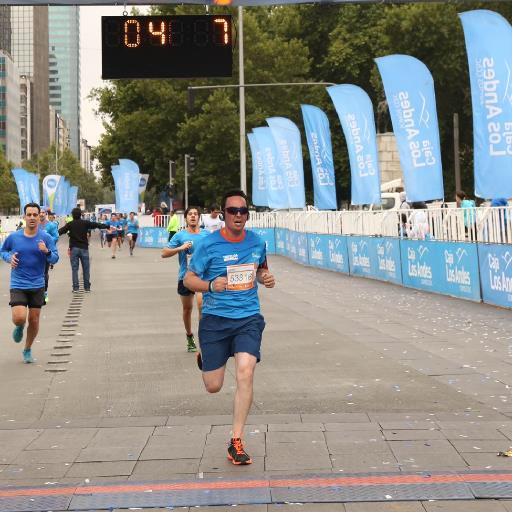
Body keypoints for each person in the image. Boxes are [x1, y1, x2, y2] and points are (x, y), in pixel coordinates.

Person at [184, 190, 275, 465]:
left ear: (247, 214)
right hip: (215, 320)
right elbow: (189, 279)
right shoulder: (208, 245)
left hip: (248, 318)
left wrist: (265, 277)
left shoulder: (257, 242)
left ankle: (236, 440)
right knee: (213, 386)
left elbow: (260, 270)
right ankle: (207, 357)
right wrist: (211, 285)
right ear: (223, 214)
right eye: (232, 210)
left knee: (245, 372)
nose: (238, 215)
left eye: (243, 211)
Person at [0, 203, 59, 363]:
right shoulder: (14, 237)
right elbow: (2, 250)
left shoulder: (46, 237)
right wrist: (8, 258)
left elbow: (55, 257)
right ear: (24, 216)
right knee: (20, 317)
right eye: (29, 215)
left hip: (38, 284)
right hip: (18, 283)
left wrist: (46, 251)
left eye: (35, 215)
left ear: (40, 217)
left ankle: (27, 349)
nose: (32, 217)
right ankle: (19, 326)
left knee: (33, 320)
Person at [162, 206, 208, 353]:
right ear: (186, 218)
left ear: (199, 217)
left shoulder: (207, 235)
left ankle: (204, 339)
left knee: (202, 306)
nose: (193, 216)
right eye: (190, 214)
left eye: (195, 214)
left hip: (202, 277)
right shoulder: (179, 236)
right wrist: (180, 248)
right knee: (187, 309)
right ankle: (189, 336)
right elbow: (164, 253)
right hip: (185, 277)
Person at [58, 207, 109, 292]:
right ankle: (87, 288)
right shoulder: (85, 223)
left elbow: (60, 231)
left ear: (72, 215)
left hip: (74, 248)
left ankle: (76, 288)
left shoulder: (70, 224)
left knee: (75, 269)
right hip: (84, 248)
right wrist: (107, 226)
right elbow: (96, 224)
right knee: (86, 268)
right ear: (81, 214)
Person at [38, 208, 59, 303]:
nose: (41, 214)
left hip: (46, 252)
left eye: (43, 213)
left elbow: (56, 237)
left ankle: (44, 292)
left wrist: (48, 244)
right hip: (34, 253)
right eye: (40, 213)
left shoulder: (51, 225)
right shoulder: (35, 224)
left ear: (46, 214)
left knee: (44, 273)